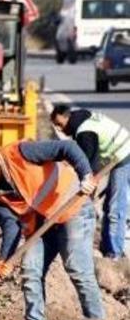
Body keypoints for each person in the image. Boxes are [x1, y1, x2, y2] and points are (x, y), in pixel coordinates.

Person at [0, 141, 104, 320]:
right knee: (30, 268)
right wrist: (5, 259)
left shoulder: (21, 153)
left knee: (77, 267)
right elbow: (10, 224)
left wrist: (86, 175)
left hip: (73, 208)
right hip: (43, 223)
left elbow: (67, 148)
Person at [50, 105, 130, 259]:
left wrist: (88, 191)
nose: (59, 129)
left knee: (115, 207)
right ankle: (107, 247)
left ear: (67, 117)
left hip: (124, 155)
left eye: (60, 124)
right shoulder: (82, 120)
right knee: (109, 205)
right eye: (56, 126)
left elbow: (89, 167)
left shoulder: (85, 132)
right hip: (119, 153)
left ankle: (115, 254)